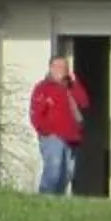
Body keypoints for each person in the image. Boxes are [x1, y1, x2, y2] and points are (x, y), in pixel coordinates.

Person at [28, 53, 92, 195]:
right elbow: (36, 114)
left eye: (65, 67)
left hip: (72, 138)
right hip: (53, 137)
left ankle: (57, 202)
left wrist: (75, 82)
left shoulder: (71, 87)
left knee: (67, 173)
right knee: (54, 170)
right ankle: (44, 199)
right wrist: (47, 131)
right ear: (51, 68)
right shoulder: (43, 88)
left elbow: (84, 103)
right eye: (59, 67)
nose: (62, 70)